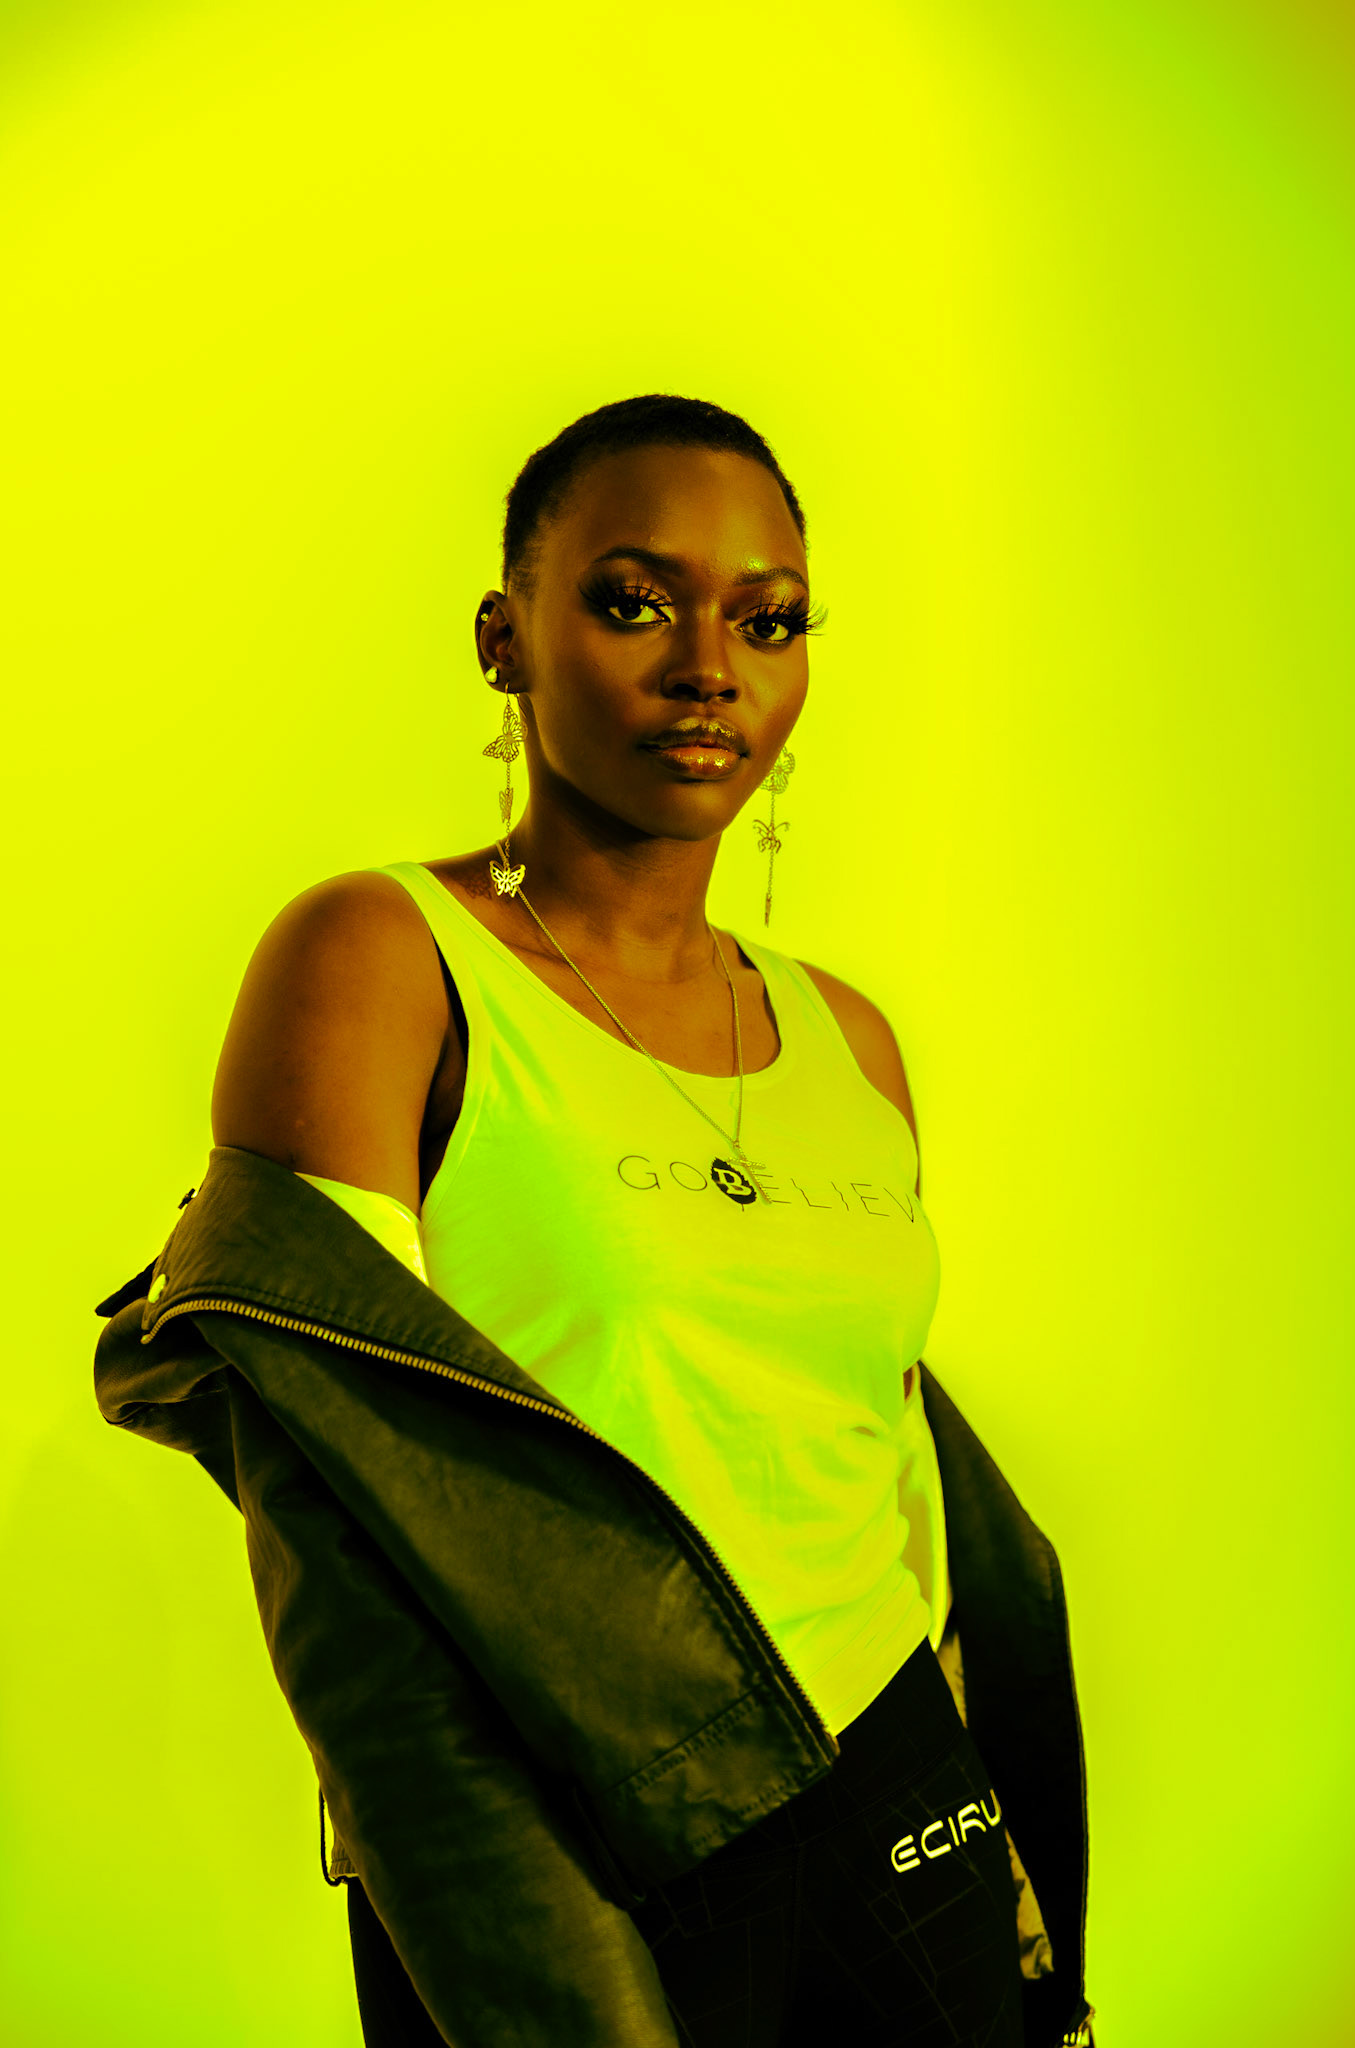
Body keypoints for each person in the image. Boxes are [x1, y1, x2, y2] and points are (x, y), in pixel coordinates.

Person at [95, 395, 1094, 2048]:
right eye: (635, 603)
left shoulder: (846, 1038)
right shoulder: (380, 959)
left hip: (908, 1794)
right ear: (505, 636)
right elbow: (339, 1534)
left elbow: (883, 1463)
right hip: (579, 1828)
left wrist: (1009, 1822)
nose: (708, 668)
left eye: (767, 621)